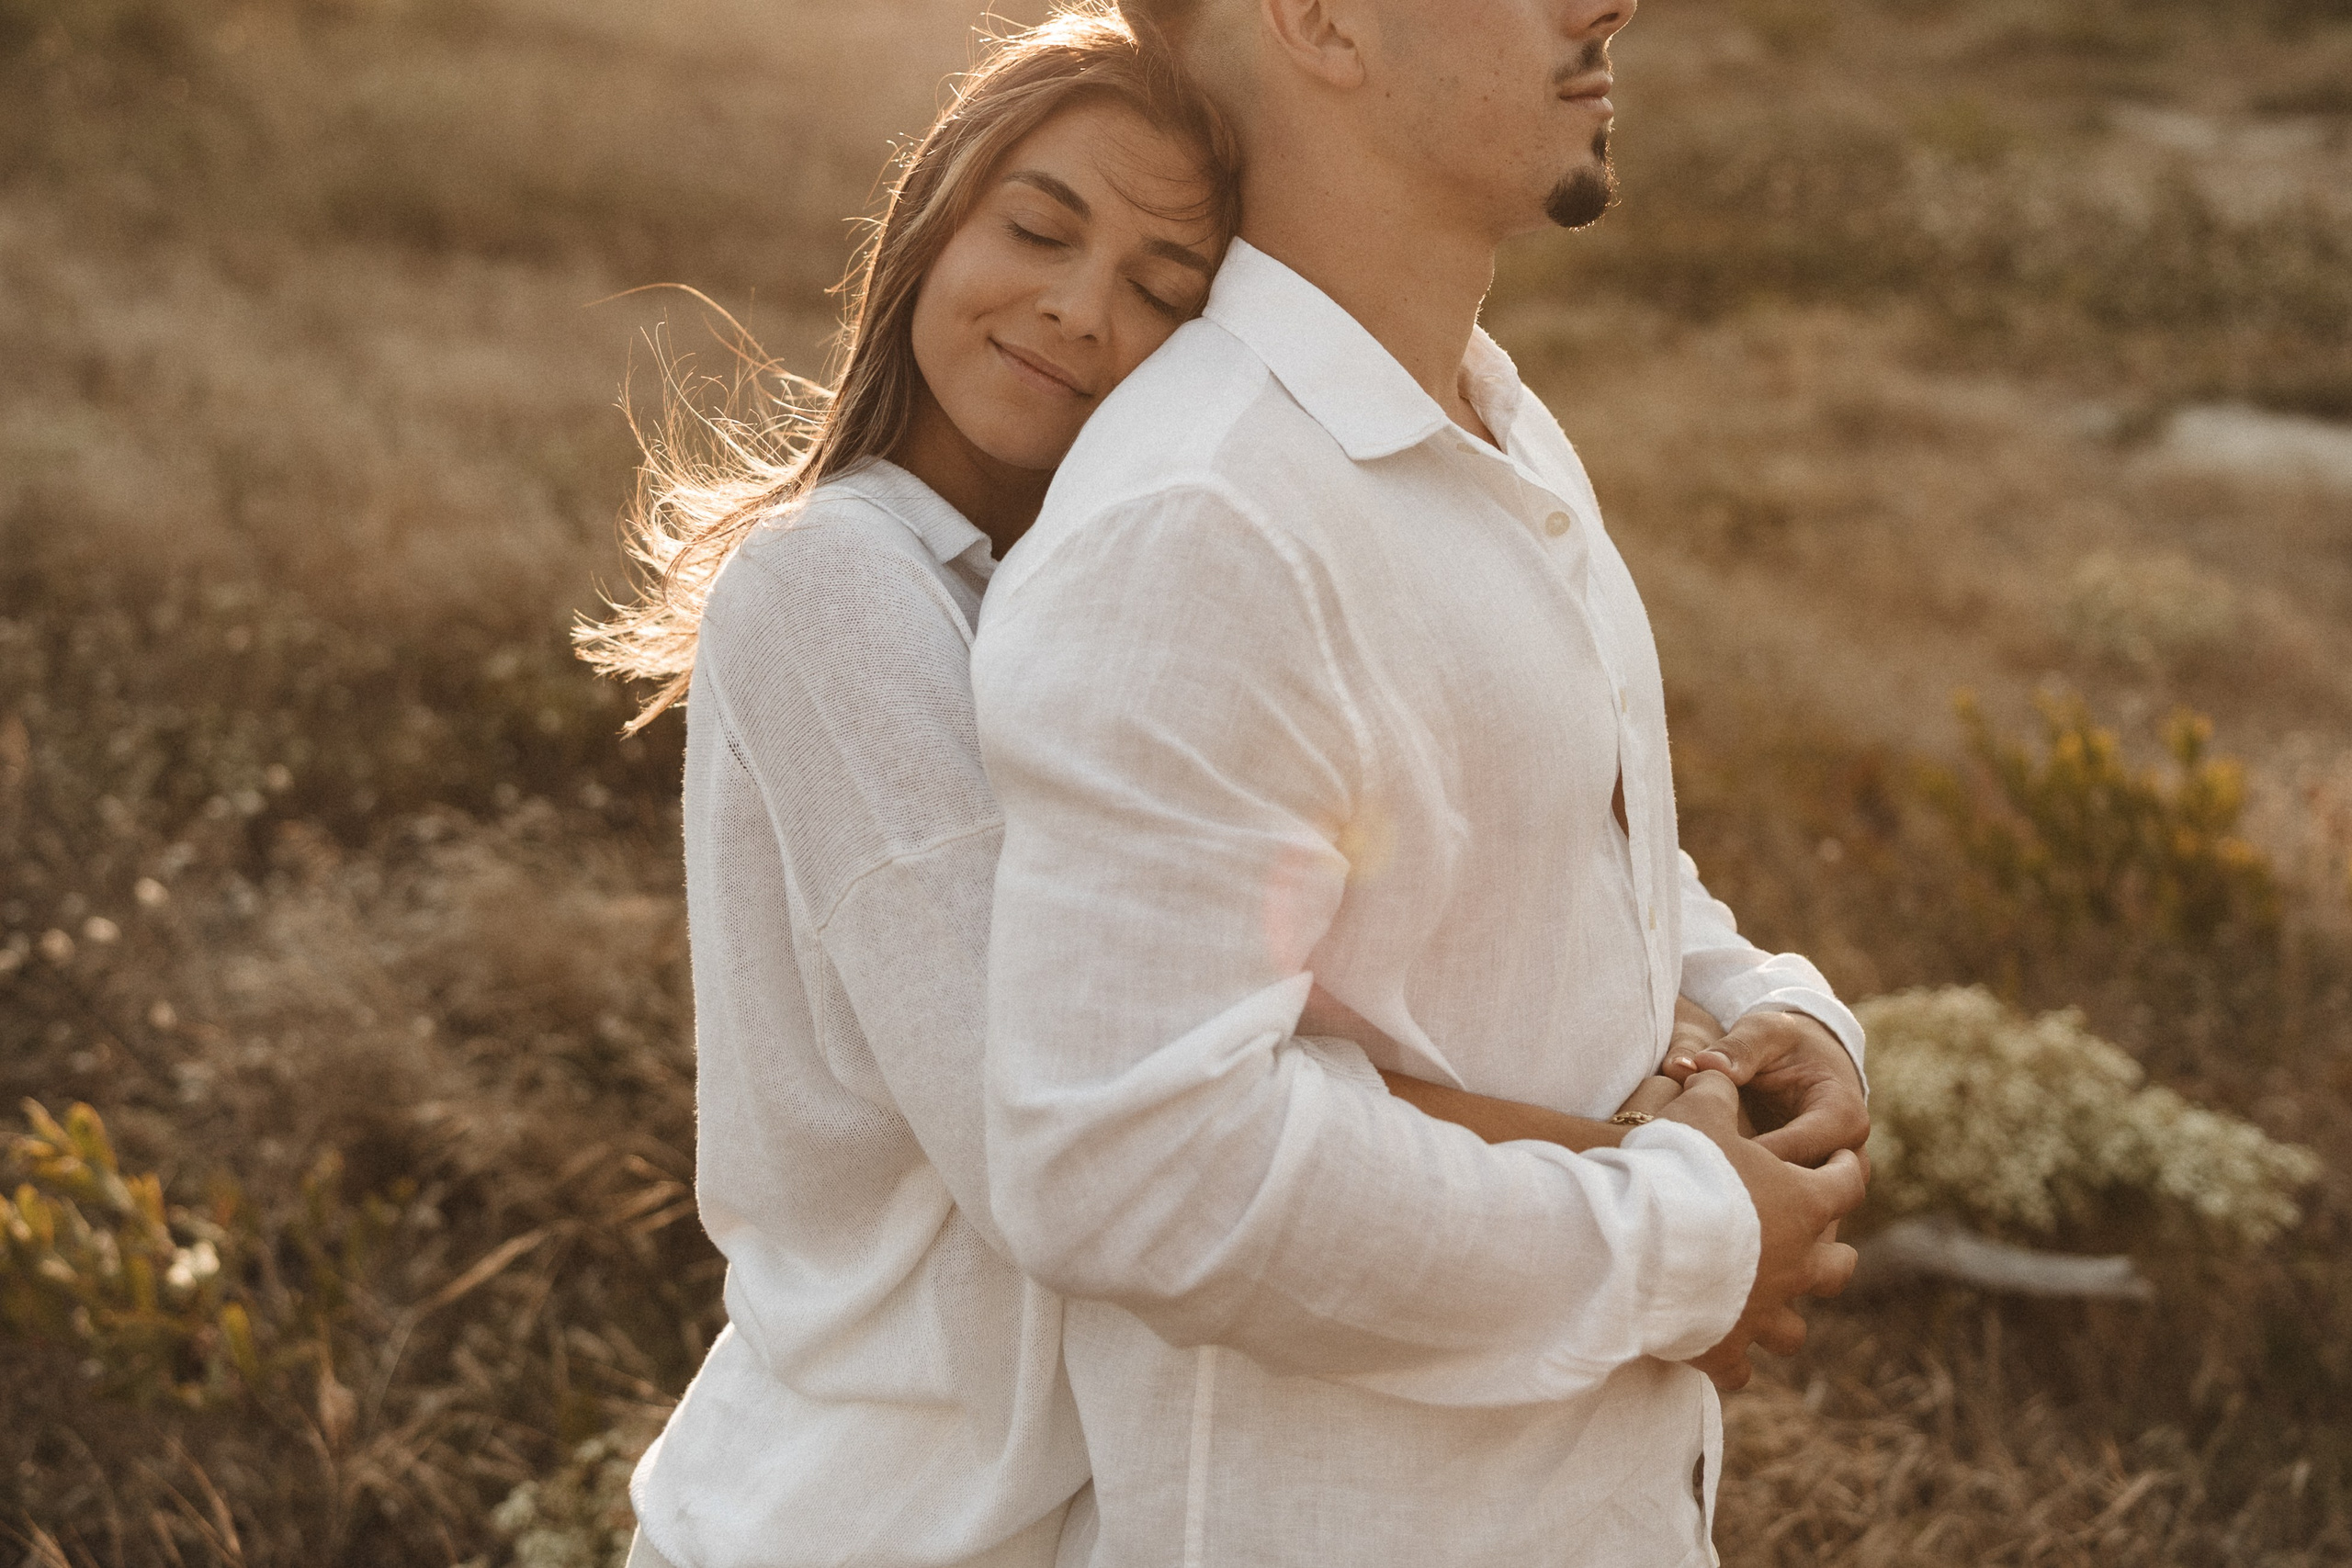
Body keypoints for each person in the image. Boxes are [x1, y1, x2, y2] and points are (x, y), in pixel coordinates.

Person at [578, 7, 1720, 1564]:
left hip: (1039, 1511)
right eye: (1037, 231)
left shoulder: (1063, 570)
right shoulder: (834, 589)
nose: (1073, 312)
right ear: (925, 221)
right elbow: (1049, 1117)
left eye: (1159, 289)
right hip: (857, 1514)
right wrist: (1649, 1168)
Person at [968, 0, 1872, 1562]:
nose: (1610, 6)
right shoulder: (1207, 520)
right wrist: (1685, 1241)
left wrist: (1770, 1004)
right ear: (1318, 18)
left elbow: (1570, 847)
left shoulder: (1489, 420)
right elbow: (1133, 1164)